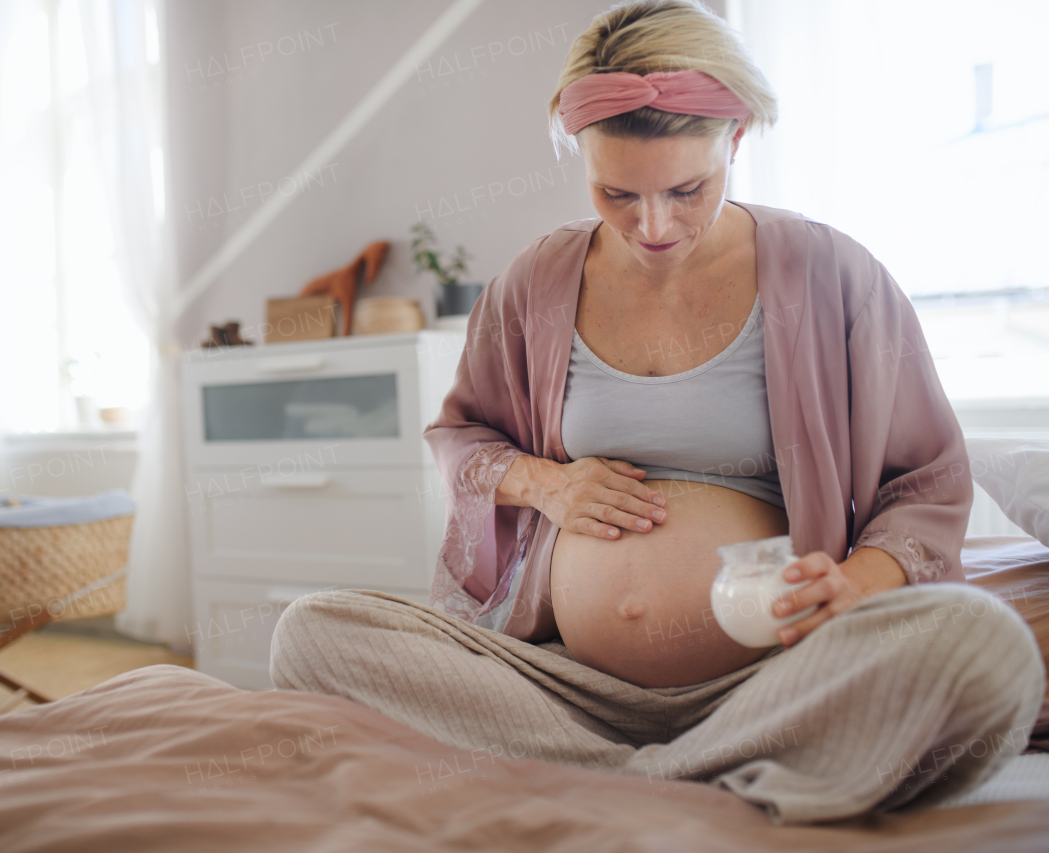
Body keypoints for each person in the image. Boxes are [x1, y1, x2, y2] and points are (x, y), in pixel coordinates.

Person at [271, 0, 1043, 823]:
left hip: (775, 674)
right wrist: (547, 484)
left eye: (687, 189)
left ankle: (622, 772)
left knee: (982, 648)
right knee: (310, 631)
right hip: (565, 685)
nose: (653, 225)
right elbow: (460, 436)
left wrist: (861, 579)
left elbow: (926, 475)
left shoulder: (832, 274)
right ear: (580, 157)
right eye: (616, 193)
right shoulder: (535, 282)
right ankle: (671, 771)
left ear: (736, 140)